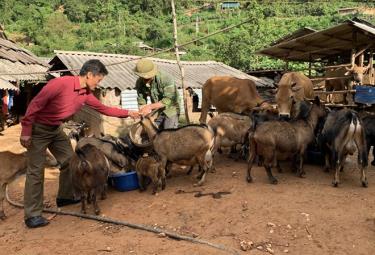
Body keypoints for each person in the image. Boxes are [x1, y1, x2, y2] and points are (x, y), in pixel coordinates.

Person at [20, 59, 140, 228]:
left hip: (56, 129)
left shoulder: (85, 94)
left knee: (71, 161)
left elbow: (104, 109)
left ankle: (65, 197)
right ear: (90, 74)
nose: (98, 84)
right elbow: (35, 104)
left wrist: (129, 113)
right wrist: (26, 131)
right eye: (98, 80)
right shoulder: (60, 84)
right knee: (35, 171)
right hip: (38, 129)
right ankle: (32, 215)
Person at [134, 59, 180, 129]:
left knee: (168, 134)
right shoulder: (139, 82)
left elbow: (169, 99)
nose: (144, 80)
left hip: (171, 109)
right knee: (154, 132)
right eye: (142, 77)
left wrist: (149, 107)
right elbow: (141, 99)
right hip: (157, 110)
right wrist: (142, 111)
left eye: (146, 78)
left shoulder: (166, 78)